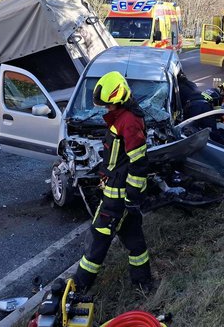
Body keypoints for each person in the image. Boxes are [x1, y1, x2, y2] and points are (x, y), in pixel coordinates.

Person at [73, 71, 153, 293]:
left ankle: (79, 287)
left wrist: (130, 197)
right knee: (134, 239)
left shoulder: (128, 122)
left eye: (108, 106)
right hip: (121, 196)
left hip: (117, 197)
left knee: (98, 239)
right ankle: (142, 282)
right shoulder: (124, 118)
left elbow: (138, 163)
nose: (105, 110)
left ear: (119, 100)